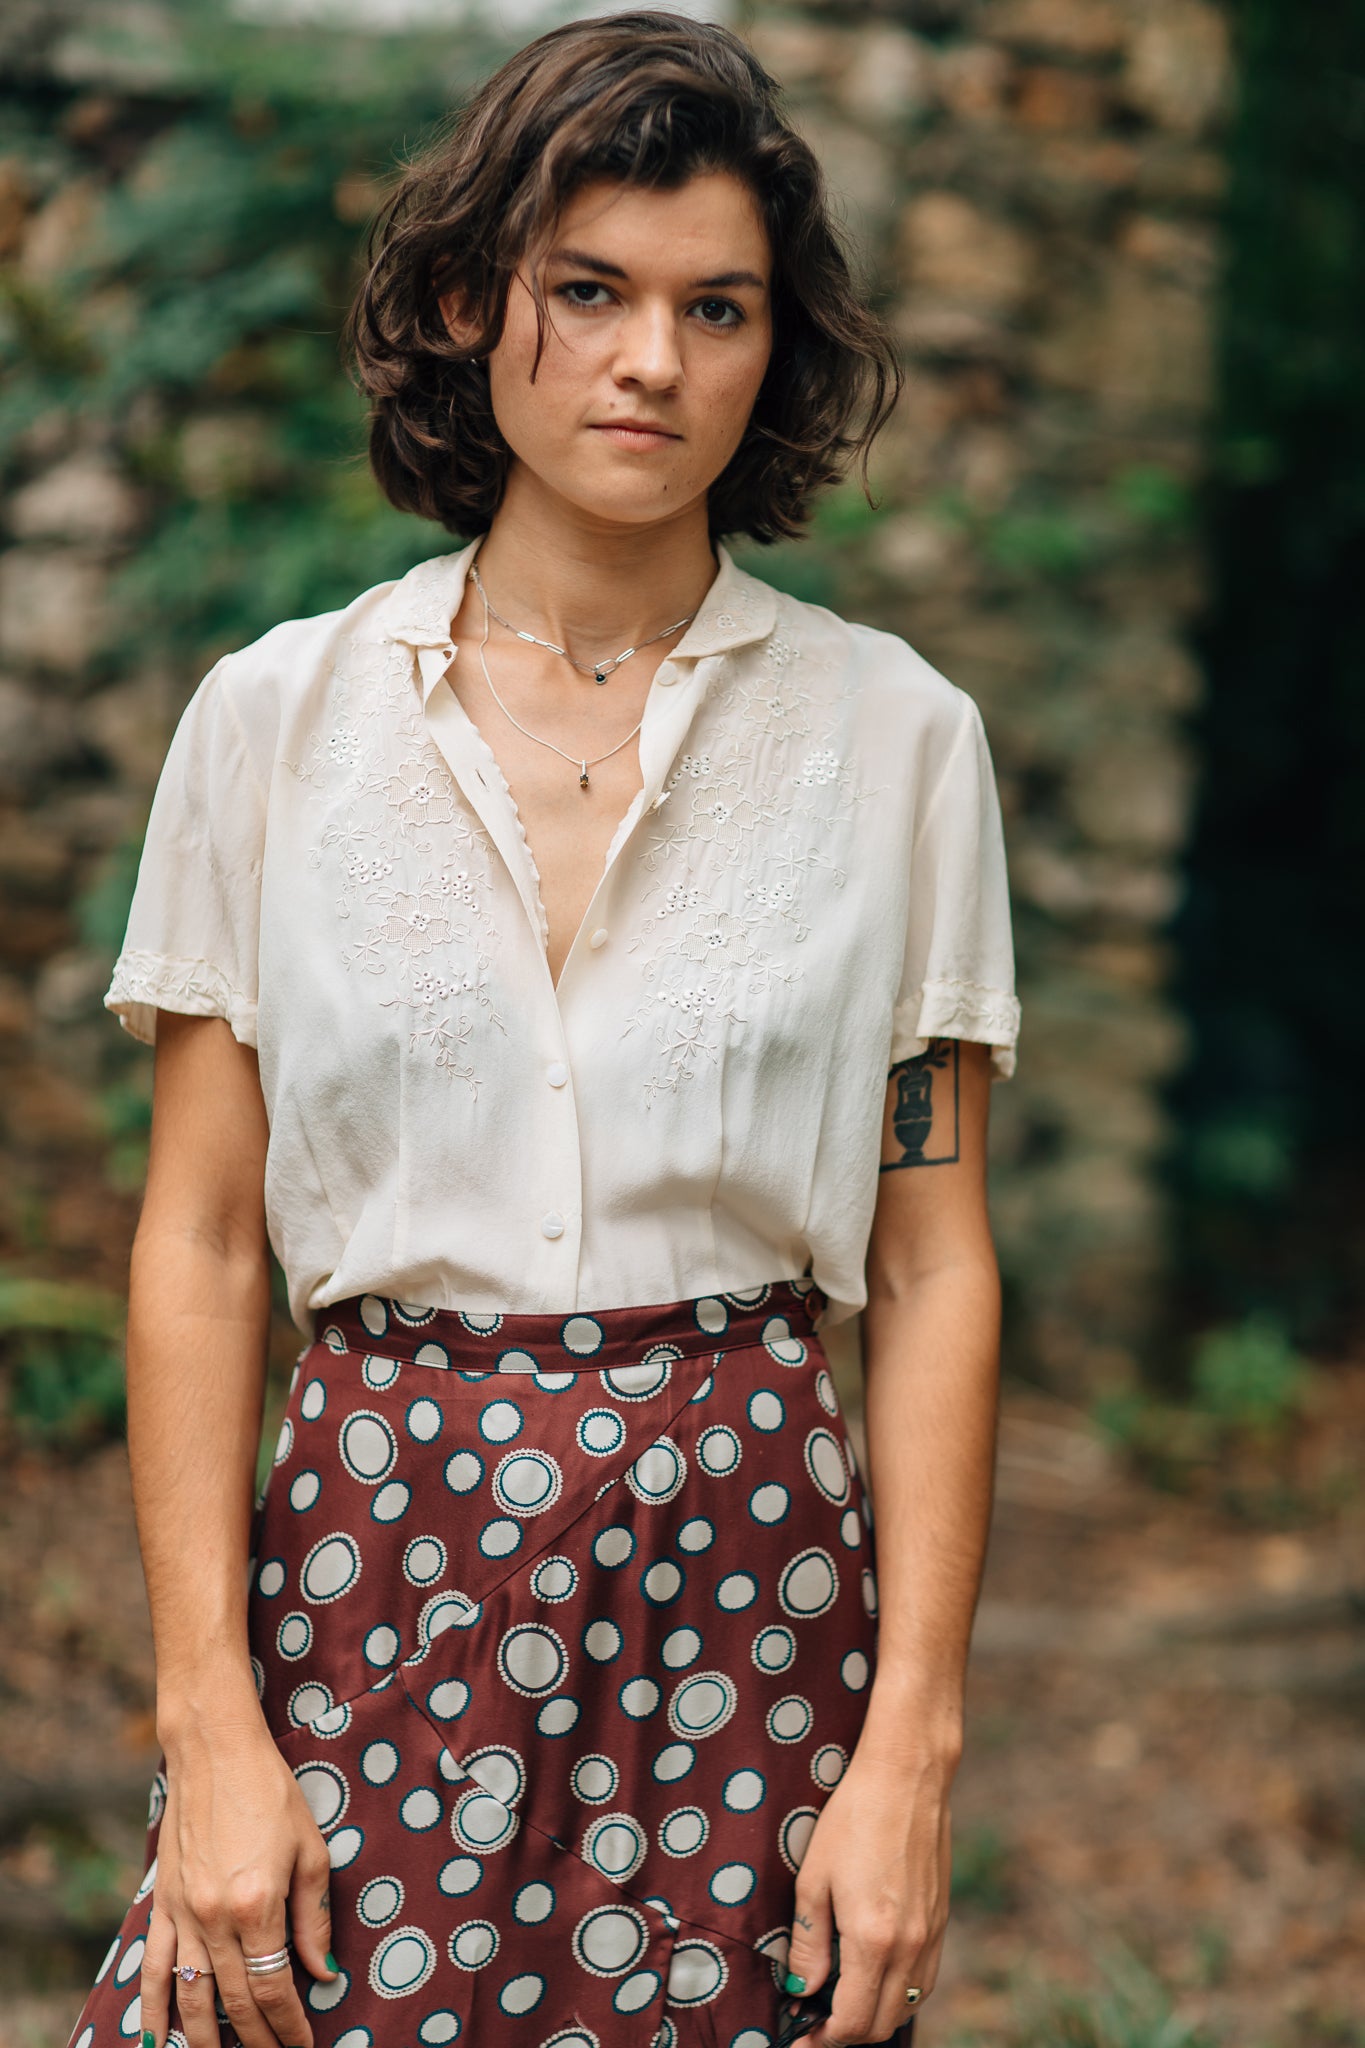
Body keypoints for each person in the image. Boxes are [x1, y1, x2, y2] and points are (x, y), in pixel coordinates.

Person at [68, 14, 1020, 2048]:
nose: (649, 363)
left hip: (749, 1583)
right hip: (370, 1563)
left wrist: (907, 1751)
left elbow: (932, 1261)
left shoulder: (896, 744)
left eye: (714, 307)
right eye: (586, 292)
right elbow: (202, 1244)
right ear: (464, 301)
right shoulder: (275, 723)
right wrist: (206, 1716)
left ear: (778, 351)